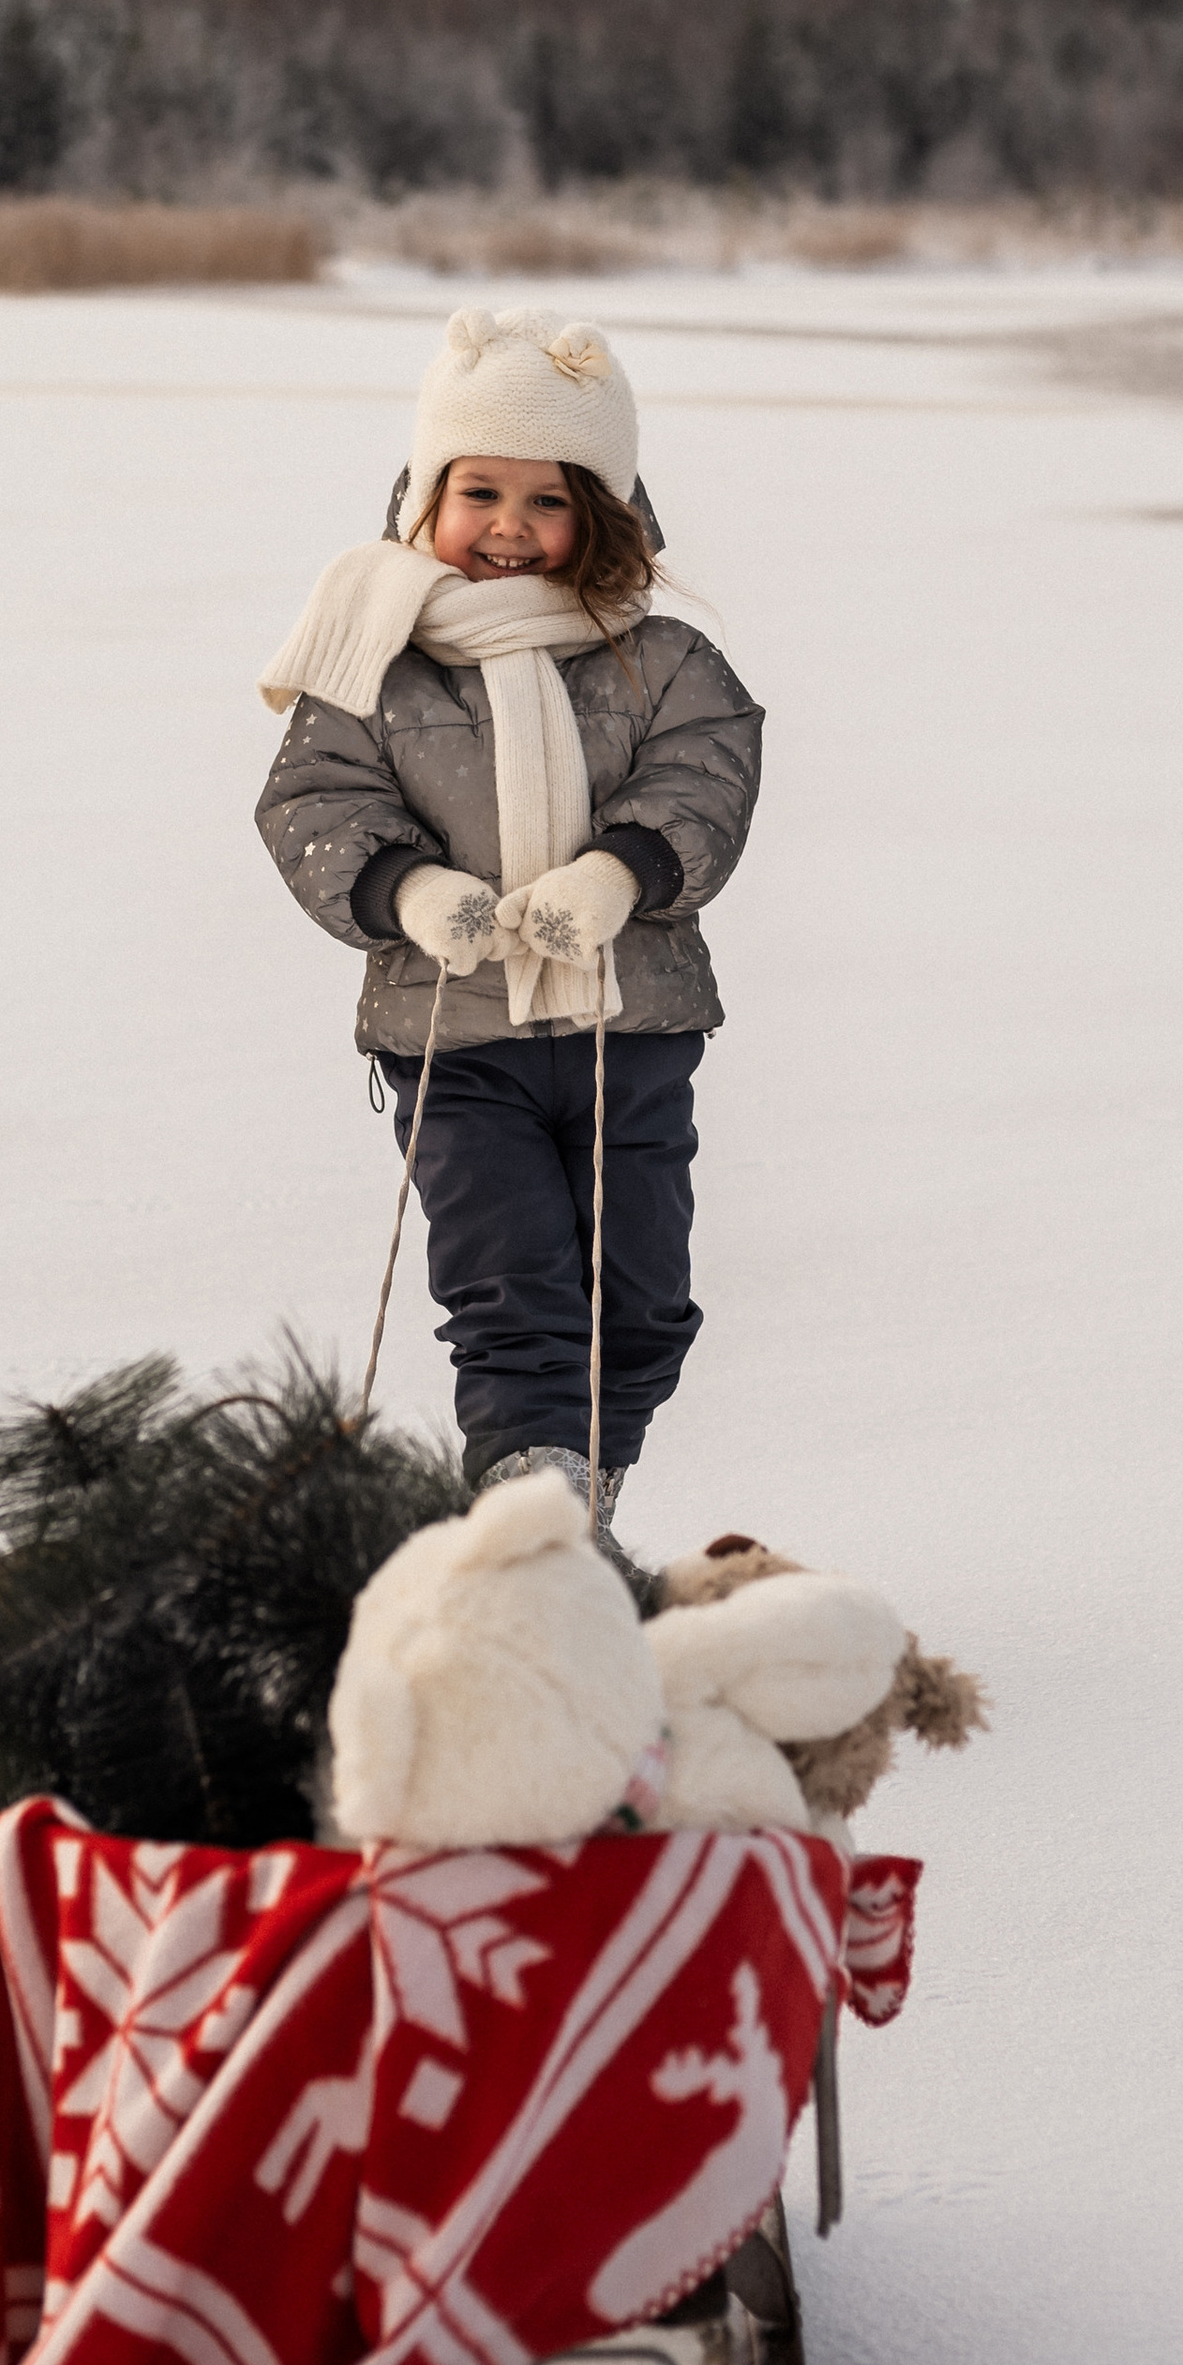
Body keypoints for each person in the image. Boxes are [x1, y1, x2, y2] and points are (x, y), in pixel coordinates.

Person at [257, 306, 763, 1558]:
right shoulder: (376, 657)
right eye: (478, 491)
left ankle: (584, 1495)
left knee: (641, 1302)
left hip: (631, 1028)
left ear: (603, 513)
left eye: (549, 500)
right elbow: (314, 800)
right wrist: (406, 891)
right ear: (427, 494)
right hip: (458, 1042)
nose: (509, 527)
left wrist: (621, 874)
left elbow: (706, 777)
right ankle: (531, 1514)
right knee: (512, 1291)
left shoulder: (662, 659)